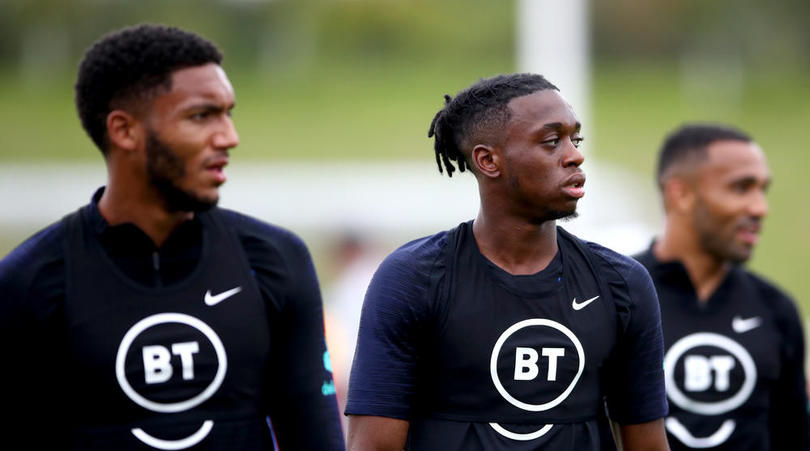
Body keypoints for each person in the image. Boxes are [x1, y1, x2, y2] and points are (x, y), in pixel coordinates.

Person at [0, 24, 344, 450]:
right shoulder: (28, 281)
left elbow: (316, 440)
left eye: (228, 113)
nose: (229, 137)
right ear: (124, 131)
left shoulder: (274, 260)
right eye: (201, 116)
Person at [344, 73, 670, 450]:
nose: (575, 155)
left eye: (574, 139)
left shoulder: (622, 284)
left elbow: (647, 444)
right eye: (552, 142)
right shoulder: (413, 278)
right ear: (488, 161)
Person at [634, 124, 810, 450]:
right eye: (741, 188)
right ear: (681, 194)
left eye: (762, 190)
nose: (760, 208)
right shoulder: (615, 296)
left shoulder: (776, 309)